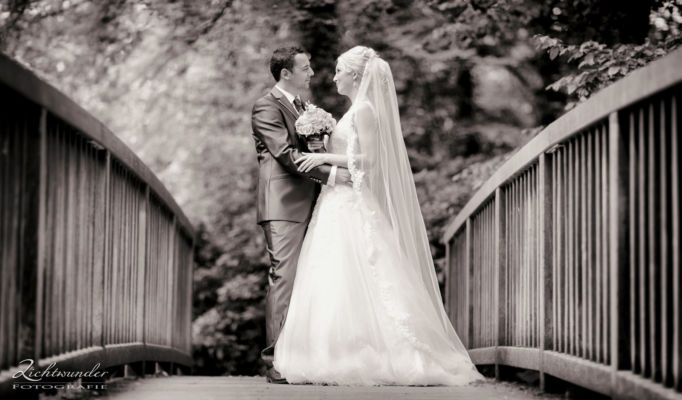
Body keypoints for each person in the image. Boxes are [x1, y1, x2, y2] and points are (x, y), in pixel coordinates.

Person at [273, 46, 485, 386]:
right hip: (336, 201)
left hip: (351, 203)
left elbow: (370, 162)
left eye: (339, 70)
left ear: (356, 75)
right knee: (334, 276)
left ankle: (387, 355)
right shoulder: (355, 110)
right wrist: (324, 148)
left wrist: (325, 157)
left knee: (365, 272)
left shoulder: (366, 110)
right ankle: (336, 353)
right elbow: (353, 153)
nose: (333, 76)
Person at [250, 46, 352, 384]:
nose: (311, 73)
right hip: (284, 204)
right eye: (305, 68)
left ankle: (303, 356)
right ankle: (273, 360)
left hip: (314, 201)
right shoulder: (267, 106)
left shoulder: (305, 108)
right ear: (286, 74)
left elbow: (315, 151)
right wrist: (335, 177)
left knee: (312, 279)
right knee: (285, 277)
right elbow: (284, 154)